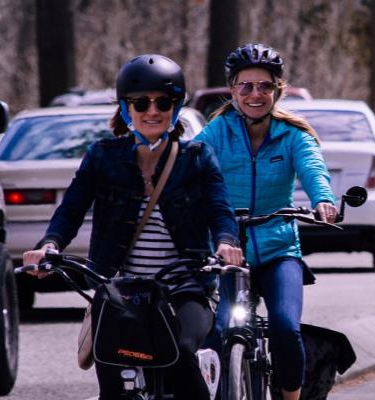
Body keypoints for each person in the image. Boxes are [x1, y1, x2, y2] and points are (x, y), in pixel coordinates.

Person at [22, 54, 243, 400]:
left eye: (163, 102)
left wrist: (226, 242)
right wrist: (50, 245)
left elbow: (220, 210)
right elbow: (71, 209)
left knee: (183, 352)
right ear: (126, 109)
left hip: (183, 287)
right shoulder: (102, 156)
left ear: (177, 106)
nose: (152, 111)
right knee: (111, 378)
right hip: (119, 292)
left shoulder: (197, 157)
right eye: (141, 103)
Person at [196, 43, 336, 400]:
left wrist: (323, 200)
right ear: (233, 90)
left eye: (264, 86)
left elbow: (314, 170)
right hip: (227, 252)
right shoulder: (217, 132)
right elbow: (187, 165)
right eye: (246, 86)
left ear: (278, 89)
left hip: (278, 249)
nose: (255, 94)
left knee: (286, 329)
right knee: (213, 335)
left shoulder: (293, 135)